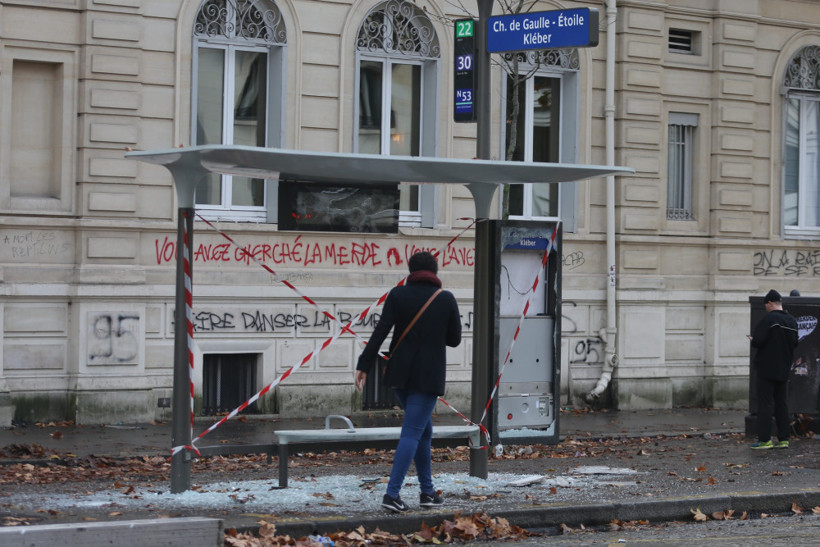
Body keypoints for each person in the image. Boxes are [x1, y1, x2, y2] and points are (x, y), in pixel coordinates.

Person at [354, 251, 462, 512]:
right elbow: (454, 339)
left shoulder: (397, 294)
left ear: (411, 270)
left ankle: (427, 492)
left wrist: (364, 364)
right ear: (435, 271)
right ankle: (392, 495)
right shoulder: (445, 298)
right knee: (413, 432)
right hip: (428, 376)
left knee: (423, 431)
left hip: (400, 375)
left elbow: (381, 331)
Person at [748, 289, 799, 450]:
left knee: (765, 404)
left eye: (766, 305)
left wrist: (753, 339)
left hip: (767, 368)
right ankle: (784, 439)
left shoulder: (769, 319)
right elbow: (795, 343)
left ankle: (765, 440)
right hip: (784, 368)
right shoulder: (792, 321)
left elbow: (759, 341)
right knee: (781, 403)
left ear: (770, 303)